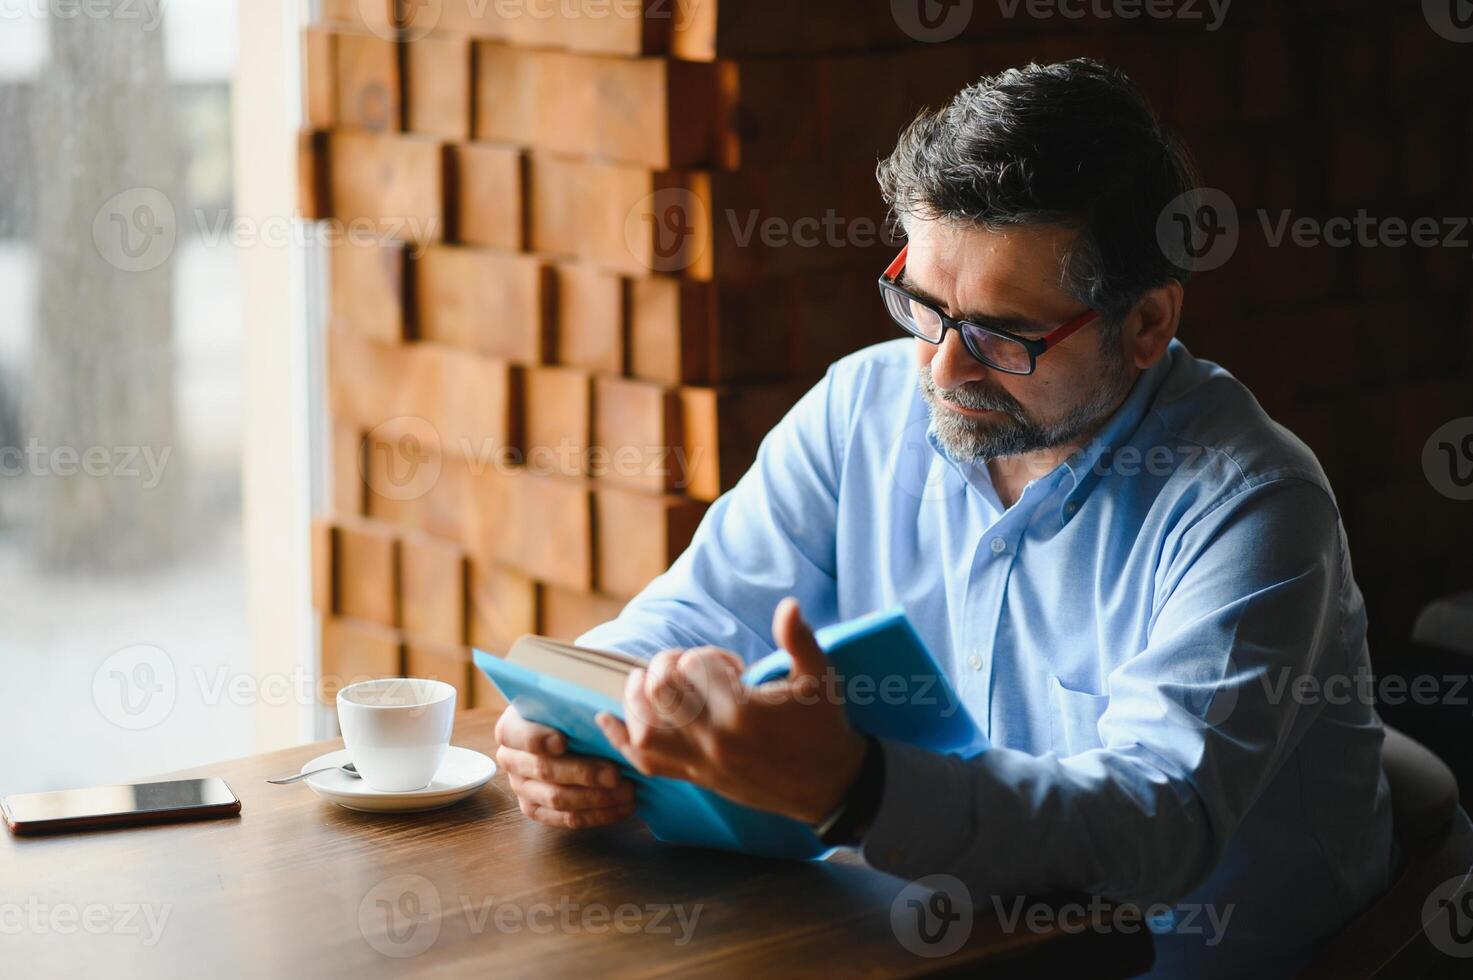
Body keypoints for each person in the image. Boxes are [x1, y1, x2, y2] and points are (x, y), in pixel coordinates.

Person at [493, 59, 1396, 978]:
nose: (939, 371)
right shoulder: (861, 407)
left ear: (1146, 323)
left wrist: (856, 790)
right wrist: (578, 717)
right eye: (922, 307)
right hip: (931, 942)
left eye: (1002, 334)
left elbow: (1156, 824)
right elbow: (692, 615)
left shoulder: (1250, 502)